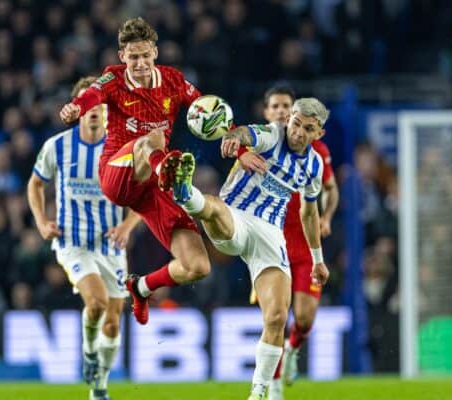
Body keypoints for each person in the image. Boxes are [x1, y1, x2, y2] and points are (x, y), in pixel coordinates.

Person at [167, 97, 330, 400]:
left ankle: (258, 393)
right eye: (295, 123)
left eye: (308, 129)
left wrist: (317, 259)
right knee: (214, 208)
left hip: (270, 236)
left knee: (277, 317)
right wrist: (233, 138)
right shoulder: (273, 134)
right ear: (289, 119)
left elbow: (309, 213)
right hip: (238, 217)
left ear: (318, 134)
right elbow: (245, 134)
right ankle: (185, 192)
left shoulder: (314, 166)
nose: (298, 132)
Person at [59, 17, 211, 326]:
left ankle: (141, 287)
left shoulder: (173, 80)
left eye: (144, 55)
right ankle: (168, 172)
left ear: (155, 52)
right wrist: (77, 106)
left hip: (151, 187)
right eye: (133, 57)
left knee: (198, 266)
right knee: (151, 140)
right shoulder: (113, 79)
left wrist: (235, 137)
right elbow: (92, 96)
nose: (139, 63)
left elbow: (206, 110)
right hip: (117, 174)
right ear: (122, 57)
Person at [28, 77, 140, 400]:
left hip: (110, 244)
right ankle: (89, 352)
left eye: (99, 104)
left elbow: (143, 197)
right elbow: (35, 184)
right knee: (97, 303)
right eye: (86, 103)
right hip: (72, 243)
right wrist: (41, 221)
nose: (93, 110)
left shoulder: (121, 150)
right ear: (78, 109)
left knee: (114, 323)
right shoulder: (57, 146)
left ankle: (99, 387)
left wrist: (127, 227)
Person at [239, 87, 339, 399]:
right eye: (277, 107)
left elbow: (330, 189)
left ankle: (293, 347)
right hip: (270, 243)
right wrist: (240, 152)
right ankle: (275, 386)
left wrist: (327, 217)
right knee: (275, 318)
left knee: (305, 317)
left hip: (304, 243)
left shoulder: (317, 155)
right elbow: (239, 142)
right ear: (269, 113)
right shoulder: (264, 142)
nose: (282, 112)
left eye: (286, 106)